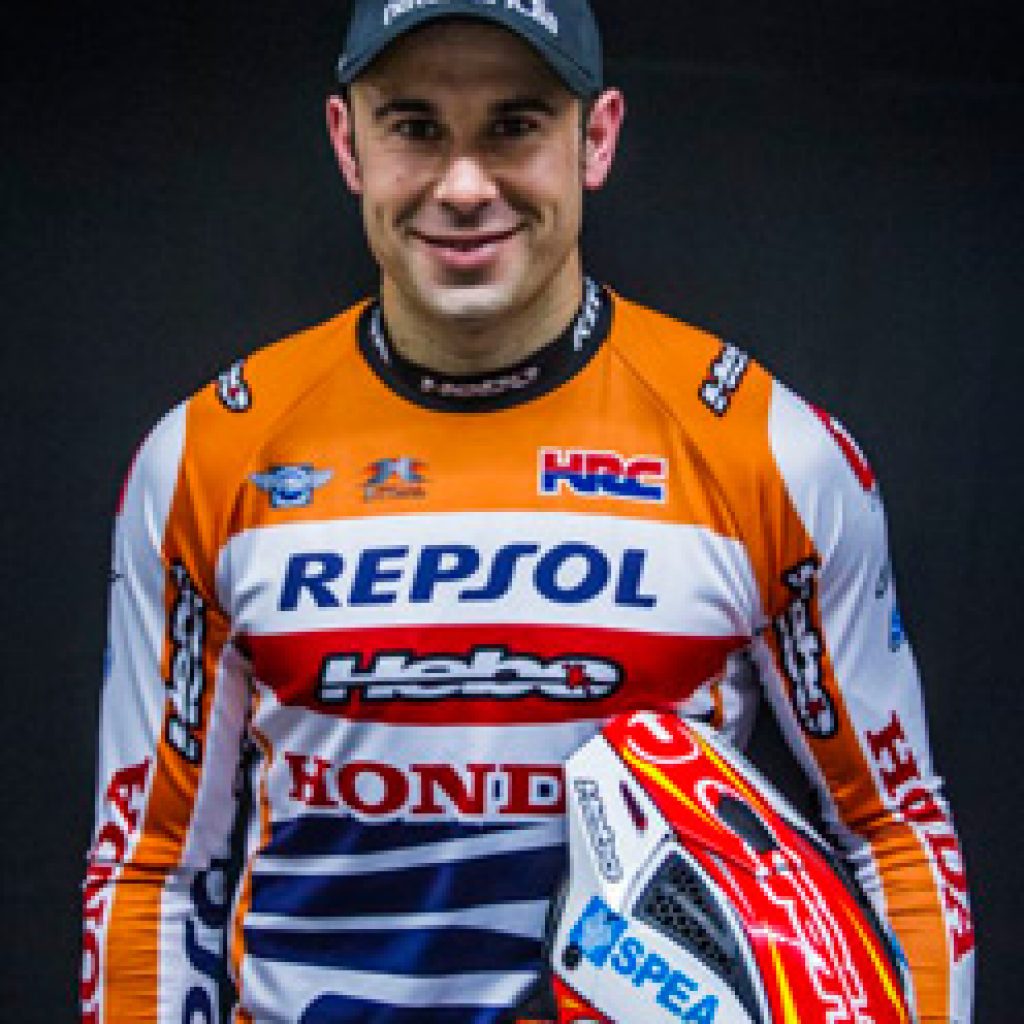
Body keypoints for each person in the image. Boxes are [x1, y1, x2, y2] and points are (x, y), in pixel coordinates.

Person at [81, 2, 974, 1022]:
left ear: (596, 138)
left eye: (514, 125)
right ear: (348, 143)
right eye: (415, 126)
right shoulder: (207, 457)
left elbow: (895, 828)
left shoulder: (769, 450)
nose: (464, 186)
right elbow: (150, 866)